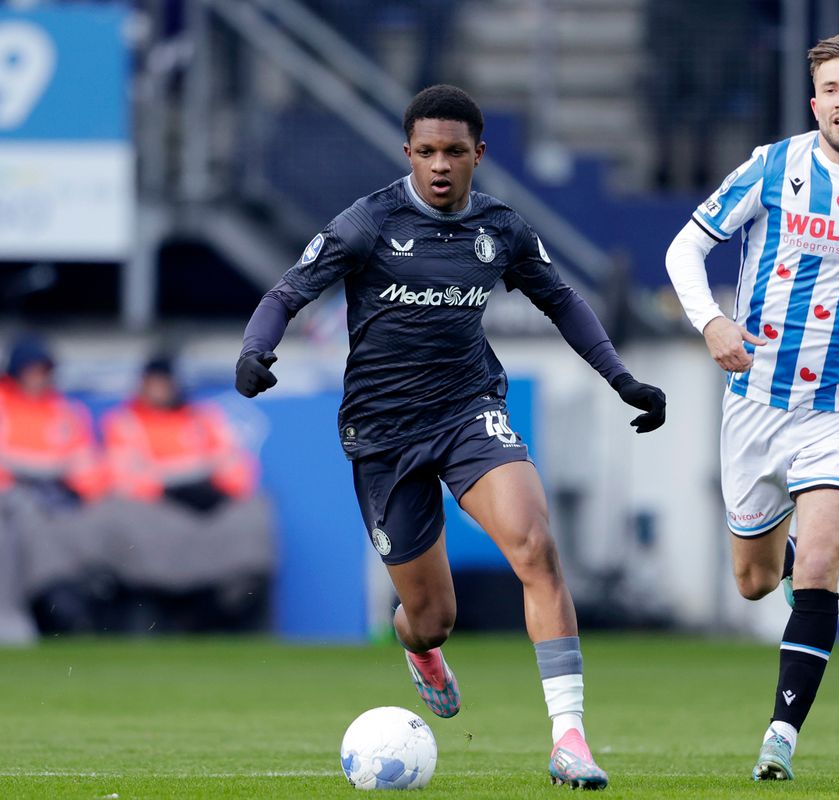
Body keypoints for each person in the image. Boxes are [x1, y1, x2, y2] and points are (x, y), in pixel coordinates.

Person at [235, 84, 666, 789]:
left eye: (454, 152)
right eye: (427, 152)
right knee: (432, 617)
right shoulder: (367, 223)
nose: (440, 165)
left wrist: (623, 380)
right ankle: (423, 652)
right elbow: (288, 291)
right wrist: (256, 350)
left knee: (536, 546)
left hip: (469, 412)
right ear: (408, 153)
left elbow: (563, 301)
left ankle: (570, 741)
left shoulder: (503, 229)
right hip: (383, 435)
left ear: (478, 155)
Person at [664, 34, 839, 781]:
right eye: (832, 89)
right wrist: (713, 322)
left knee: (820, 565)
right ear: (814, 100)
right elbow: (682, 251)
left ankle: (779, 740)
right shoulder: (772, 166)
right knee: (756, 581)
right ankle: (781, 558)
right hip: (758, 403)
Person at [95, 355, 275, 631]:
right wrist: (169, 487)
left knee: (253, 512)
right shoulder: (124, 422)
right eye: (153, 382)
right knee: (132, 518)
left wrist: (212, 489)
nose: (160, 389)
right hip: (157, 513)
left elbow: (236, 468)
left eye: (165, 382)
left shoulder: (204, 420)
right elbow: (124, 477)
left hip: (206, 510)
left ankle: (222, 604)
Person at [0, 335, 108, 634]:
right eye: (31, 370)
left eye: (43, 370)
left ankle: (77, 600)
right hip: (11, 499)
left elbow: (88, 470)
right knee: (17, 516)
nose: (38, 378)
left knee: (101, 518)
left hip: (58, 501)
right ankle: (12, 613)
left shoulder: (67, 413)